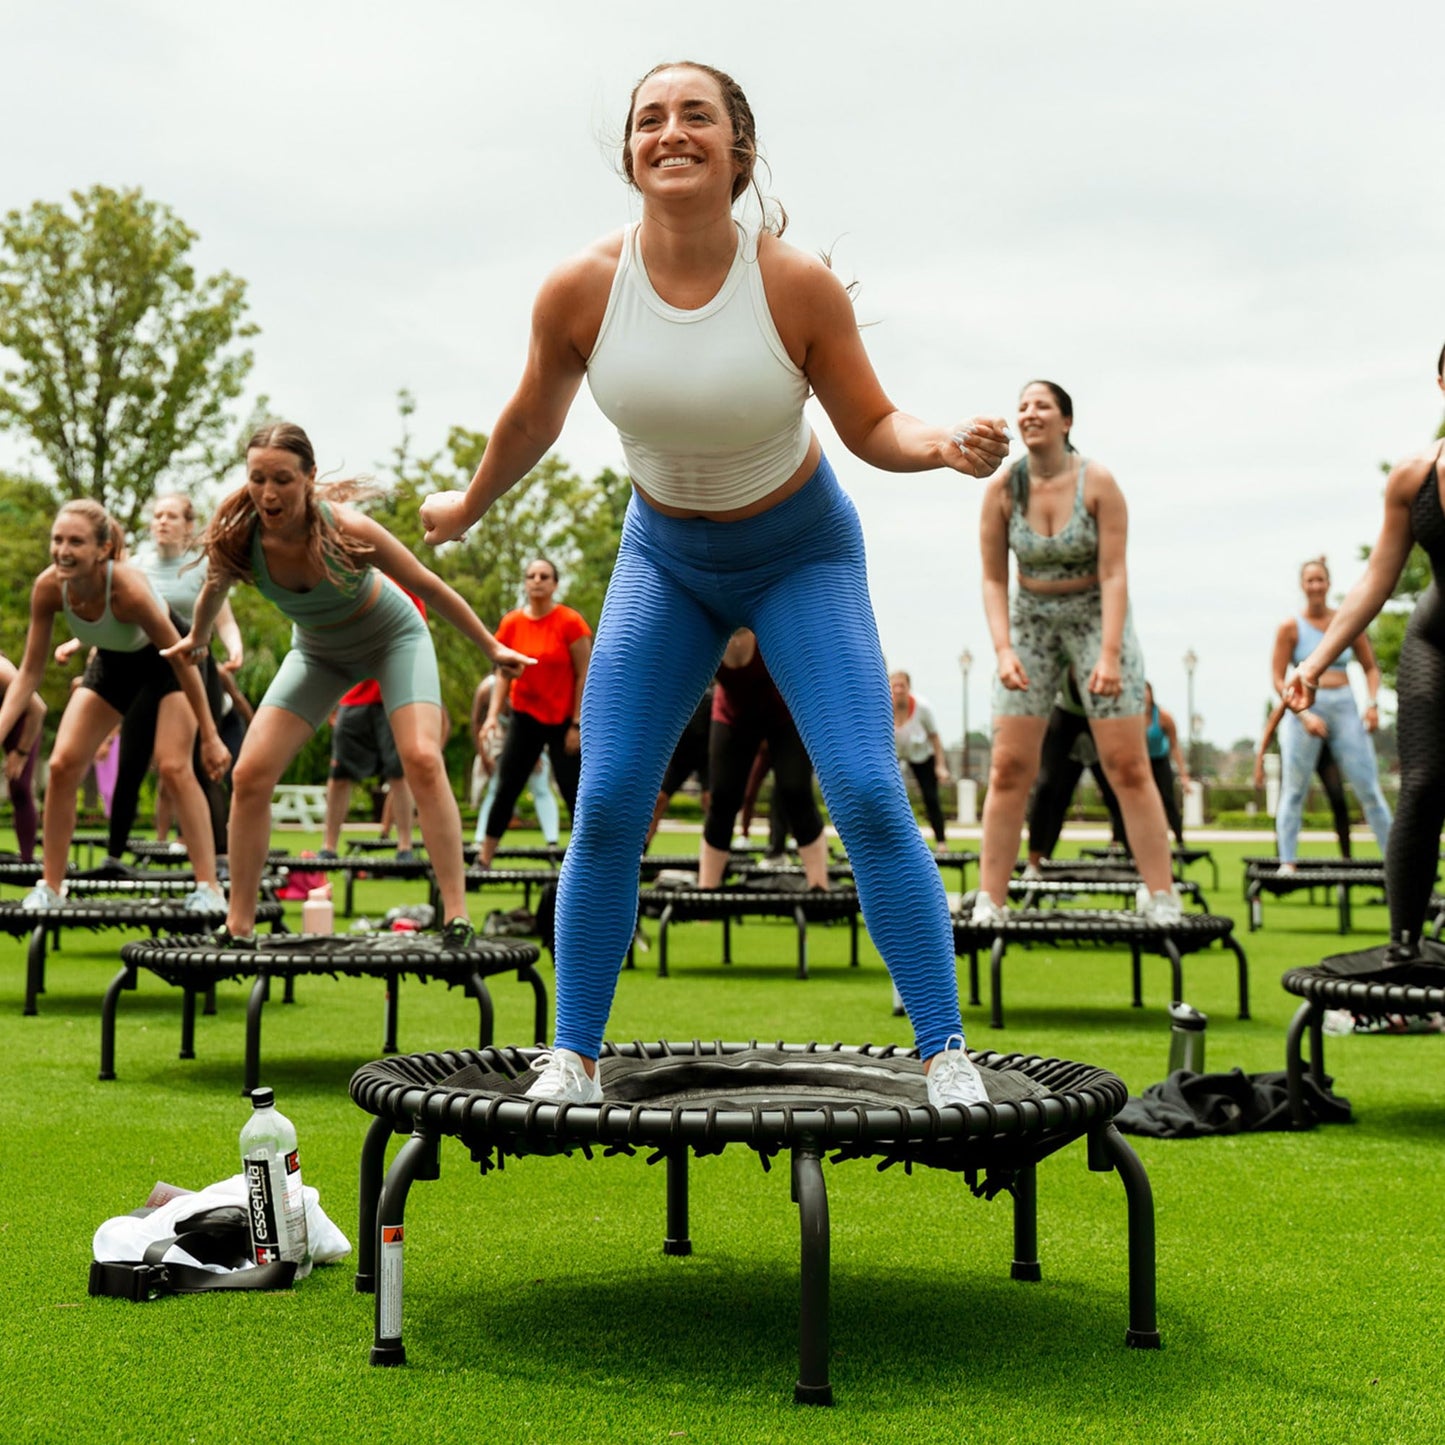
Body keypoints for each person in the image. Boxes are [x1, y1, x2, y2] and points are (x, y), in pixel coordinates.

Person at [419, 60, 1010, 1108]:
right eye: (650, 119)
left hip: (800, 553)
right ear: (630, 154)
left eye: (696, 116)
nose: (670, 132)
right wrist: (466, 504)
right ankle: (573, 1051)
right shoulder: (580, 289)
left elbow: (874, 423)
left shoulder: (789, 283)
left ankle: (943, 1047)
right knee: (606, 800)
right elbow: (529, 419)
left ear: (738, 147)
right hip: (665, 560)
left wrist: (942, 446)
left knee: (870, 793)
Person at [168, 421, 533, 947]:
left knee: (422, 760)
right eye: (258, 479)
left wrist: (490, 647)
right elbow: (212, 591)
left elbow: (427, 583)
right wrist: (198, 639)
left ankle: (455, 913)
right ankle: (239, 923)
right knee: (249, 773)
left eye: (284, 480)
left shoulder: (347, 529)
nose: (269, 494)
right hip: (319, 654)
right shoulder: (242, 537)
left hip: (392, 639)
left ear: (310, 477)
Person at [975, 379, 1179, 922]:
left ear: (1066, 421)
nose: (1029, 412)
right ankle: (990, 898)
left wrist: (1109, 655)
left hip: (1094, 614)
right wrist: (1002, 651)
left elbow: (1114, 574)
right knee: (1008, 766)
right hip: (1031, 621)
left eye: (1041, 404)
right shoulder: (1002, 490)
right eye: (1022, 406)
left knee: (1127, 764)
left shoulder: (1099, 482)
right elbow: (995, 580)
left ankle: (1161, 894)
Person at [1285, 343, 1445, 952]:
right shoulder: (1414, 477)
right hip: (1437, 642)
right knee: (1425, 784)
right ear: (1440, 383)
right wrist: (1316, 661)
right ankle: (1405, 947)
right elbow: (1377, 577)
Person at [0, 500, 229, 910]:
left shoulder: (127, 589)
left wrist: (210, 736)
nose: (63, 550)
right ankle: (51, 887)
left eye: (76, 542)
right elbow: (29, 674)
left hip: (169, 661)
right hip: (114, 661)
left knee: (174, 767)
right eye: (57, 540)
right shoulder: (49, 587)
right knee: (62, 764)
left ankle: (208, 887)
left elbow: (180, 657)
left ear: (102, 550)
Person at [57, 492, 246, 870]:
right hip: (142, 664)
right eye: (157, 514)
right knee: (132, 757)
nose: (162, 521)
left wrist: (234, 650)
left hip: (190, 663)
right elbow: (112, 613)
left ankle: (216, 861)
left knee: (188, 763)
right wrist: (82, 643)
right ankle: (114, 854)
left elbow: (222, 620)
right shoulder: (136, 565)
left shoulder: (201, 566)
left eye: (171, 515)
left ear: (188, 525)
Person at [1271, 557, 1390, 873]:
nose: (1315, 586)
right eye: (1309, 580)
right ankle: (1288, 862)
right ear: (1302, 585)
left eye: (1320, 579)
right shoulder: (1290, 628)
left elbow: (1370, 668)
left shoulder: (1346, 622)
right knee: (1293, 790)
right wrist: (1304, 715)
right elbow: (1279, 678)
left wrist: (1372, 703)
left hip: (1345, 706)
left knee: (1370, 790)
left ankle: (1396, 863)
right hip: (1304, 708)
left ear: (1328, 583)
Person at [473, 558, 590, 868]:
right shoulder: (512, 623)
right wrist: (490, 718)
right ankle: (484, 859)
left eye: (544, 576)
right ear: (525, 583)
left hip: (564, 719)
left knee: (574, 792)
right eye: (531, 576)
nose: (537, 580)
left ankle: (589, 861)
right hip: (525, 717)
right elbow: (503, 674)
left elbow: (584, 673)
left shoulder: (570, 622)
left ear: (554, 584)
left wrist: (577, 724)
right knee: (506, 786)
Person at [698, 630, 827, 890]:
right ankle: (706, 889)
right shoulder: (706, 630)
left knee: (795, 791)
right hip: (733, 715)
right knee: (723, 797)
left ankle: (819, 885)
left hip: (784, 712)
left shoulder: (767, 626)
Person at [1023, 671, 1126, 875]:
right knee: (1048, 790)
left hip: (1101, 716)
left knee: (1119, 796)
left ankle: (1141, 866)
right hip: (1065, 716)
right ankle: (1035, 863)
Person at [320, 686, 415, 859]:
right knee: (338, 775)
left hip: (392, 700)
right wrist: (331, 704)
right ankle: (328, 847)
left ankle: (405, 847)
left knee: (398, 774)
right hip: (351, 700)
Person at [1252, 701, 1355, 857]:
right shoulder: (1297, 688)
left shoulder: (1328, 695)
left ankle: (1347, 860)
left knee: (1338, 800)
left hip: (1324, 750)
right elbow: (1275, 717)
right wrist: (1260, 758)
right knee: (1288, 803)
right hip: (1297, 750)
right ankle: (1283, 859)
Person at [470, 674, 561, 846]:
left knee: (541, 786)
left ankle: (552, 841)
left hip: (530, 735)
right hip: (499, 738)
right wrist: (483, 756)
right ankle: (481, 840)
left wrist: (535, 753)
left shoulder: (526, 684)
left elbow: (536, 720)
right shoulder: (486, 689)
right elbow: (476, 723)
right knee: (497, 787)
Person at [645, 683, 713, 846]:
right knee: (658, 799)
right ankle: (642, 850)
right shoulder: (669, 698)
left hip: (707, 754)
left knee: (710, 800)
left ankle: (714, 849)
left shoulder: (710, 699)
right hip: (680, 756)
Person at [890, 670, 951, 849]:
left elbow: (935, 738)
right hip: (896, 754)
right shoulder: (882, 706)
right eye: (895, 686)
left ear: (909, 687)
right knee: (889, 795)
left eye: (903, 685)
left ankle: (941, 842)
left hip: (922, 755)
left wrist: (941, 766)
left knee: (930, 797)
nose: (899, 690)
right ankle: (894, 841)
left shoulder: (922, 708)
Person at [0, 652, 45, 861]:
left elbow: (38, 709)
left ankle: (27, 860)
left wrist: (20, 753)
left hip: (24, 721)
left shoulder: (2, 671)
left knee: (19, 787)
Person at [1143, 682, 1190, 848]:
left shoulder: (1163, 717)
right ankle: (1118, 841)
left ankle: (1180, 840)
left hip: (1160, 761)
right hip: (1142, 762)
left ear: (1151, 694)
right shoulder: (1132, 717)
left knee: (1168, 800)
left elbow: (1175, 746)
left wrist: (1184, 775)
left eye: (1146, 692)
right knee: (1132, 799)